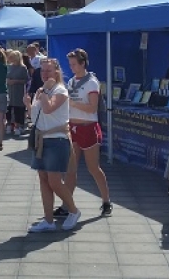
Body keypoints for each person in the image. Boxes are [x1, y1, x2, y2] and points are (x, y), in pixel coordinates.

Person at [24, 58, 81, 232]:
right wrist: (28, 105)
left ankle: (73, 210)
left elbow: (49, 109)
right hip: (41, 138)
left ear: (56, 72)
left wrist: (44, 93)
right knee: (43, 178)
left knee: (54, 181)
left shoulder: (60, 91)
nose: (45, 74)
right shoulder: (41, 91)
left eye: (48, 71)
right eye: (42, 71)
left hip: (57, 139)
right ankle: (48, 220)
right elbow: (35, 117)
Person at [57, 48, 112, 217]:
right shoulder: (72, 81)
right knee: (70, 169)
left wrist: (73, 104)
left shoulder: (91, 82)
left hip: (88, 128)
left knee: (93, 168)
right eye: (70, 64)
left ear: (83, 63)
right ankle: (66, 205)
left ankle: (106, 201)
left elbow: (92, 108)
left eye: (74, 64)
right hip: (73, 128)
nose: (71, 67)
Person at [5, 49, 29, 137]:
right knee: (9, 108)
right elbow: (6, 77)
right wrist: (7, 81)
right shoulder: (9, 67)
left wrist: (16, 81)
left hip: (19, 91)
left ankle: (19, 126)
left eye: (12, 57)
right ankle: (9, 124)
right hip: (10, 91)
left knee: (19, 109)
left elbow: (26, 80)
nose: (10, 58)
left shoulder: (23, 68)